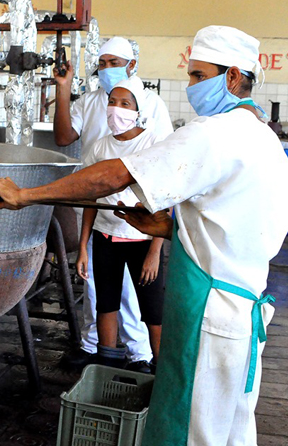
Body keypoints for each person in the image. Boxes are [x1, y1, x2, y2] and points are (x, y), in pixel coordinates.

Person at [0, 25, 288, 445]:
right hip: (242, 311)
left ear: (232, 77)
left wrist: (26, 194)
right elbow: (237, 222)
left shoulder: (217, 131)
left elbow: (116, 174)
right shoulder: (263, 138)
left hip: (210, 316)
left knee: (190, 431)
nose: (192, 86)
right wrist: (170, 227)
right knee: (230, 431)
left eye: (198, 76)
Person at [54, 36, 173, 372]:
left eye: (114, 63)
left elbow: (165, 187)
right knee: (101, 295)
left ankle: (142, 357)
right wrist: (63, 89)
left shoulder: (152, 116)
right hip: (104, 227)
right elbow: (65, 140)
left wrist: (155, 247)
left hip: (141, 231)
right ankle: (101, 355)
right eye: (102, 64)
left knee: (142, 302)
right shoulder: (95, 122)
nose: (107, 70)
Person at [76, 75, 165, 370]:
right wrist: (83, 248)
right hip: (105, 238)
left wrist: (155, 252)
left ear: (138, 109)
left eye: (125, 103)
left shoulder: (153, 143)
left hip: (142, 242)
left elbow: (166, 202)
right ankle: (106, 368)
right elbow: (91, 200)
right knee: (106, 304)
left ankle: (160, 372)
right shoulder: (100, 148)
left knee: (153, 311)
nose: (117, 109)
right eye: (112, 102)